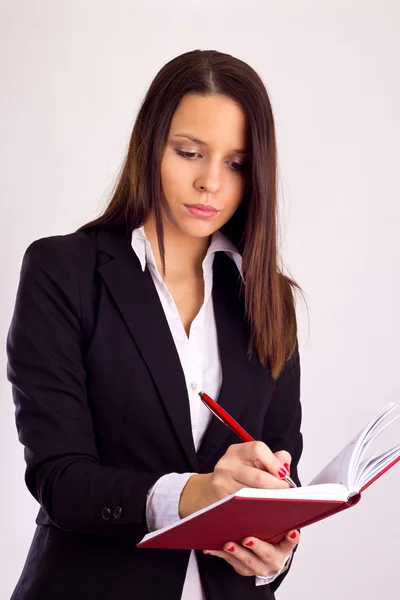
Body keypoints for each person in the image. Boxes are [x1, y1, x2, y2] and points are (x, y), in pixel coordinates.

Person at [6, 48, 304, 600]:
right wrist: (196, 494)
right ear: (151, 146)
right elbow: (59, 478)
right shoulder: (63, 271)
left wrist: (274, 553)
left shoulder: (269, 298)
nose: (210, 183)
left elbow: (283, 464)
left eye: (236, 164)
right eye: (190, 152)